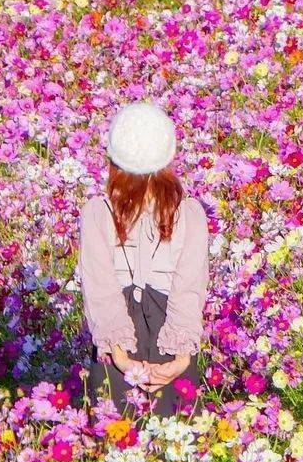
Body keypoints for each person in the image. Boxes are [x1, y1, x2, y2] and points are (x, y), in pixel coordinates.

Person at [77, 100, 209, 418]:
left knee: (117, 452)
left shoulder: (98, 212)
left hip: (118, 342)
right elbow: (188, 291)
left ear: (113, 157)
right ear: (168, 156)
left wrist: (121, 359)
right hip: (172, 335)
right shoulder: (189, 213)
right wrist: (180, 360)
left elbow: (102, 291)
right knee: (178, 452)